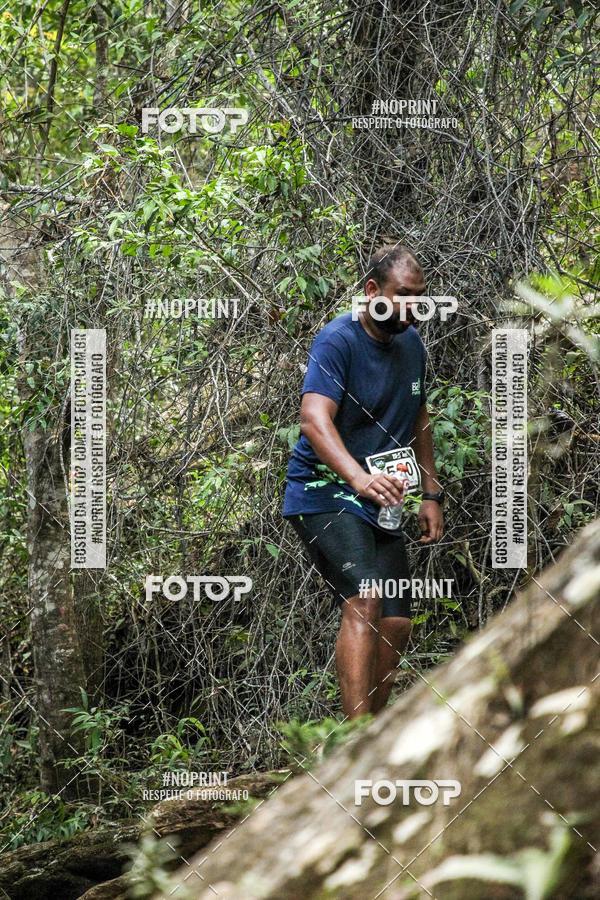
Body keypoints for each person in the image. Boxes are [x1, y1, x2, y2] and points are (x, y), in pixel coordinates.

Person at [283, 245, 444, 718]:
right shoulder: (339, 340)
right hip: (324, 492)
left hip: (382, 497)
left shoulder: (412, 344)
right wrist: (358, 478)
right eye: (403, 295)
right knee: (366, 599)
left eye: (419, 297)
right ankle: (356, 741)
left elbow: (418, 416)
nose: (412, 307)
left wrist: (430, 493)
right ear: (372, 291)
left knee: (396, 623)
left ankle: (372, 731)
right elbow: (314, 419)